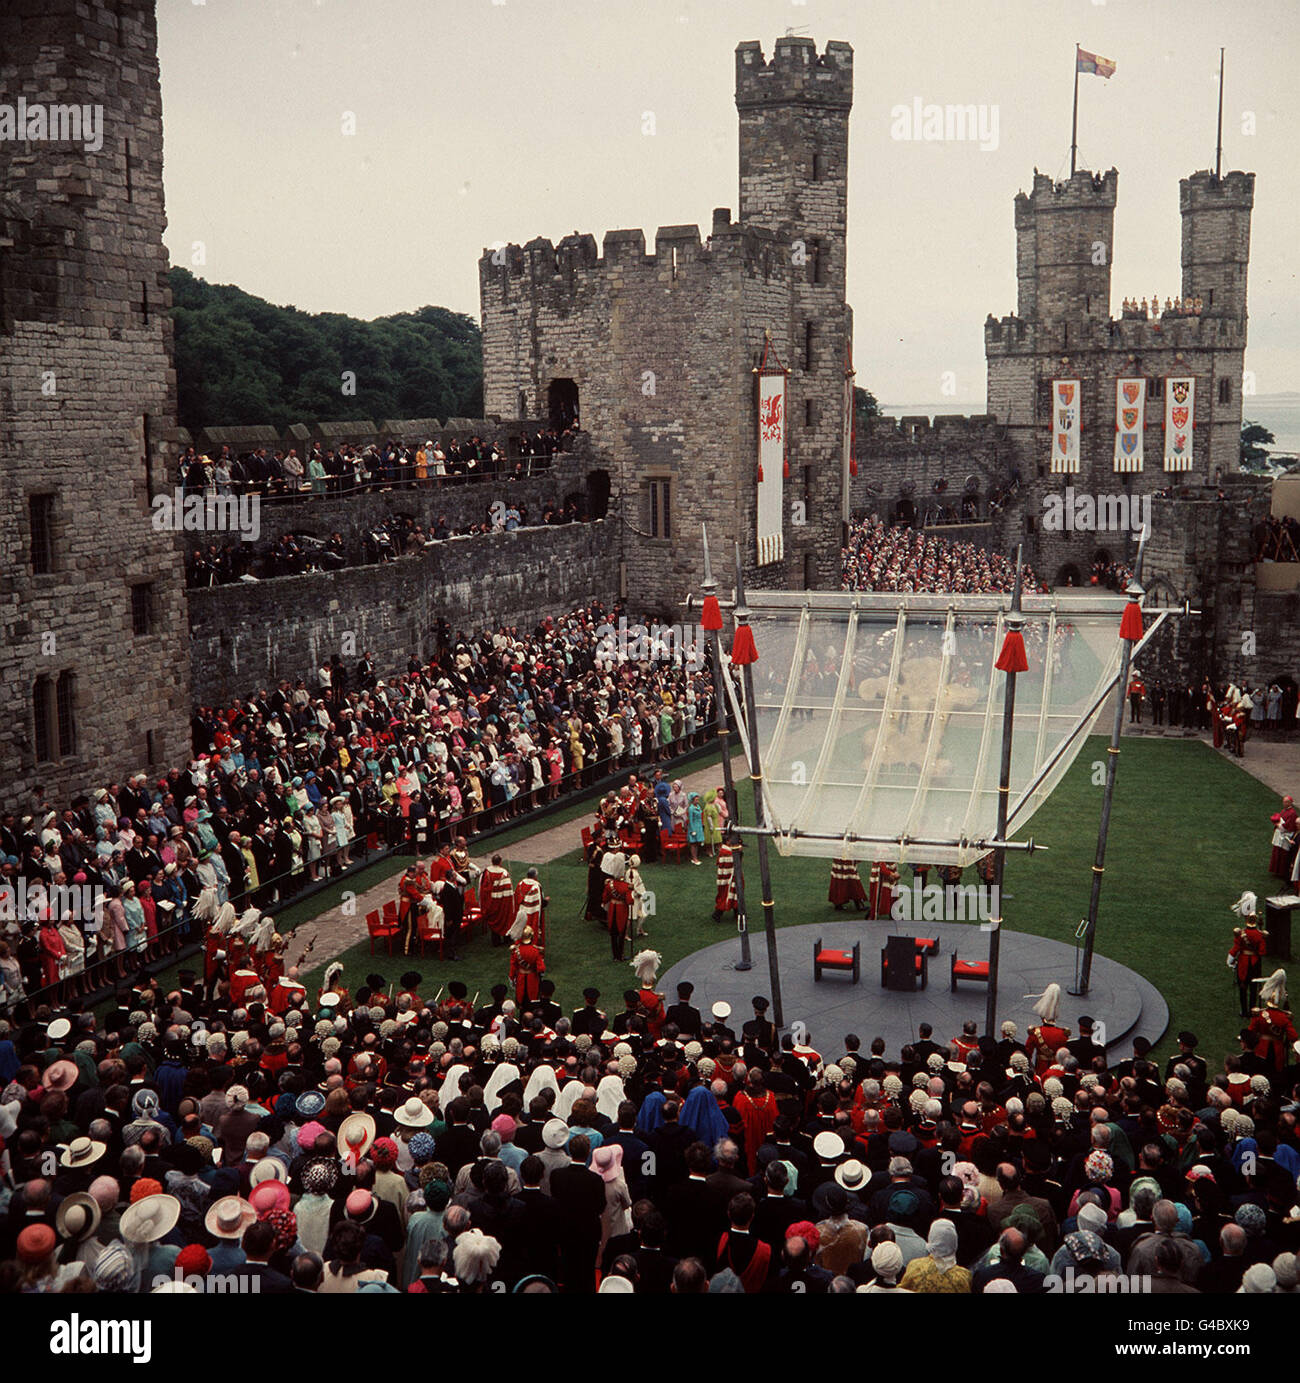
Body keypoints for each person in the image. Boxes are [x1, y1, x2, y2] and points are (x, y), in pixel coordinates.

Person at [509, 927, 545, 1008]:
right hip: (532, 978)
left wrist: (512, 977)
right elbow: (541, 968)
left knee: (521, 999)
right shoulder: (536, 950)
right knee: (533, 1000)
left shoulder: (516, 950)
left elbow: (513, 967)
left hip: (520, 978)